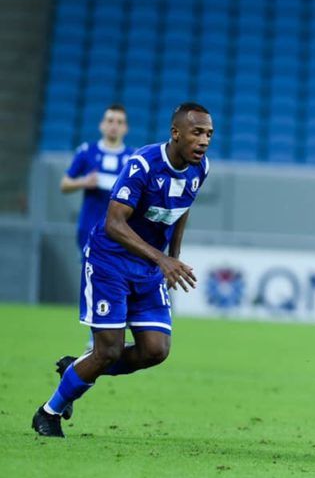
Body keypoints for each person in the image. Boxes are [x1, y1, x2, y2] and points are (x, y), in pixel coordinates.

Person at [32, 102, 214, 437]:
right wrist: (162, 259)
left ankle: (78, 368)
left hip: (148, 267)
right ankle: (49, 411)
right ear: (176, 133)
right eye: (197, 133)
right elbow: (114, 224)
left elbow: (183, 205)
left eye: (208, 134)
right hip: (110, 262)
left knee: (155, 350)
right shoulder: (143, 164)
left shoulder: (200, 168)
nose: (204, 141)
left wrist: (174, 254)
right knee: (109, 350)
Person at [61, 104, 134, 252]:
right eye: (110, 120)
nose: (114, 126)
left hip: (121, 231)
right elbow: (64, 184)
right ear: (102, 125)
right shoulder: (87, 151)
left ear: (126, 128)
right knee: (90, 272)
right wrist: (84, 182)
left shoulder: (133, 158)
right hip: (89, 226)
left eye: (119, 122)